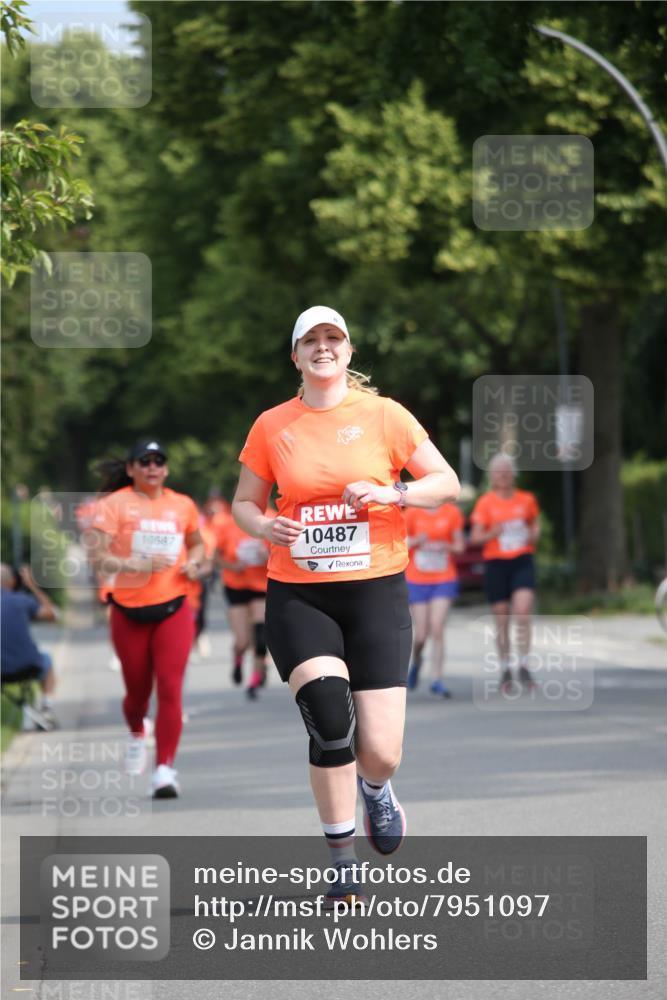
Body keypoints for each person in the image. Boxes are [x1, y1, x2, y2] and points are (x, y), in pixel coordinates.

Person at [232, 305, 459, 904]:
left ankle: (377, 791)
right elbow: (244, 505)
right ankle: (341, 861)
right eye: (312, 340)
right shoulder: (272, 425)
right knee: (330, 720)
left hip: (376, 593)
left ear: (350, 352)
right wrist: (263, 528)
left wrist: (393, 492)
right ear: (296, 356)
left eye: (334, 339)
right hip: (300, 596)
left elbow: (447, 484)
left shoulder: (385, 416)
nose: (324, 348)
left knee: (380, 751)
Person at [89, 439, 204, 798]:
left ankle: (165, 771)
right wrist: (133, 565)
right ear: (131, 469)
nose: (153, 467)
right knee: (137, 693)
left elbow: (198, 544)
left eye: (159, 461)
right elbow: (96, 557)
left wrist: (197, 562)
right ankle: (138, 731)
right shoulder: (113, 505)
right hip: (128, 609)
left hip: (173, 606)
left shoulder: (182, 504)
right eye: (144, 461)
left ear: (166, 469)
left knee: (170, 688)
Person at [469, 453, 540, 693]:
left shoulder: (526, 499)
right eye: (499, 472)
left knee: (522, 611)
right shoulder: (485, 503)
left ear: (513, 474)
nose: (503, 475)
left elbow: (534, 523)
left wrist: (533, 534)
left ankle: (524, 663)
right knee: (502, 618)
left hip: (521, 560)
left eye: (507, 471)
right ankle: (505, 666)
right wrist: (493, 533)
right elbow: (476, 537)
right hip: (496, 563)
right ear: (492, 476)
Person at [405, 502, 465, 697]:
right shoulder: (412, 512)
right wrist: (415, 541)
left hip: (444, 577)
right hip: (416, 578)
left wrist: (446, 545)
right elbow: (399, 542)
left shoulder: (452, 512)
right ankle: (417, 662)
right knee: (421, 634)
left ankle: (436, 679)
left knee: (437, 627)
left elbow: (460, 546)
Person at [215, 509, 272, 699]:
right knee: (243, 640)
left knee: (260, 635)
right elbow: (215, 557)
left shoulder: (272, 517)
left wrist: (269, 556)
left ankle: (255, 679)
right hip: (236, 585)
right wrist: (232, 566)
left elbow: (285, 552)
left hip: (261, 584)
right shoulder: (227, 522)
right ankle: (238, 657)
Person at [1, 563, 59, 727]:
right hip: (28, 665)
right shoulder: (22, 600)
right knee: (47, 659)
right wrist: (33, 586)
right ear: (12, 582)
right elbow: (51, 615)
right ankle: (47, 707)